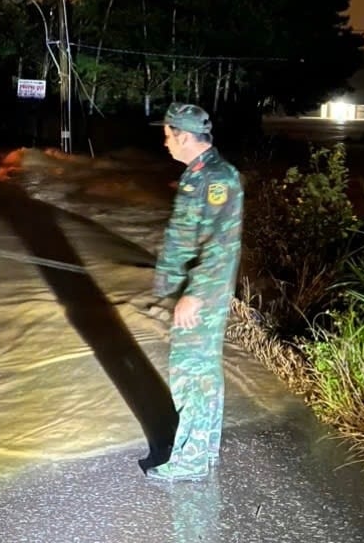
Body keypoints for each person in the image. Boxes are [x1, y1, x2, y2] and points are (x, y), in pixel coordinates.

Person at [146, 102, 244, 482]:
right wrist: (168, 286)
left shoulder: (219, 180)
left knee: (192, 373)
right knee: (199, 371)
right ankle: (203, 451)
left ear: (184, 136)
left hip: (203, 293)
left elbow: (221, 244)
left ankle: (190, 460)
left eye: (168, 135)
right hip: (193, 288)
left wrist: (195, 294)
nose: (165, 142)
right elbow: (186, 238)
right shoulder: (197, 175)